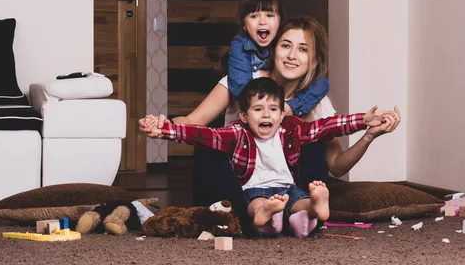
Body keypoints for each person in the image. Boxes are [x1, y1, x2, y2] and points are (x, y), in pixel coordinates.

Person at [138, 16, 401, 234]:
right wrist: (164, 126)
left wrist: (369, 135)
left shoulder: (316, 101)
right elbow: (194, 123)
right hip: (236, 182)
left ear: (315, 60)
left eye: (303, 49)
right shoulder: (244, 83)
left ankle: (300, 212)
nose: (292, 56)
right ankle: (239, 217)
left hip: (288, 186)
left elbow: (336, 165)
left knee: (311, 139)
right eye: (286, 45)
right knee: (209, 143)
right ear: (273, 50)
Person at [139, 77, 387, 238]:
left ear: (281, 115)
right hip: (255, 190)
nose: (266, 115)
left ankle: (314, 208)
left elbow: (326, 127)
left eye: (273, 110)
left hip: (288, 190)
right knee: (256, 204)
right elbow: (202, 135)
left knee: (299, 202)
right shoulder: (236, 133)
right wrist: (164, 130)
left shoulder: (290, 130)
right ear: (245, 116)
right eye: (258, 110)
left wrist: (362, 120)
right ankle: (267, 215)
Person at [229, 0, 329, 117]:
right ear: (244, 25)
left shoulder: (317, 96)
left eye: (269, 15)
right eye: (254, 16)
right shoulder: (240, 46)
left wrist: (289, 108)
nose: (262, 22)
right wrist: (261, 110)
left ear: (280, 22)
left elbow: (322, 83)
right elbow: (241, 87)